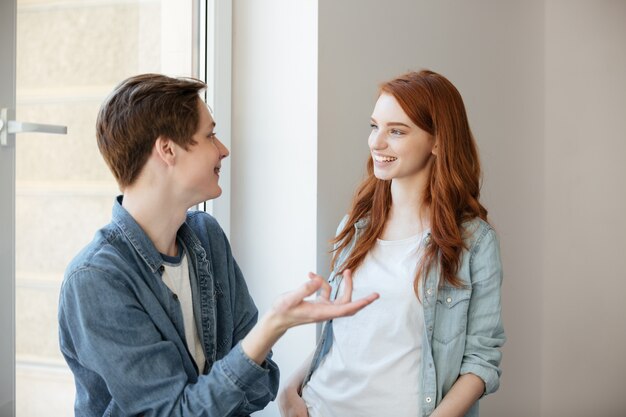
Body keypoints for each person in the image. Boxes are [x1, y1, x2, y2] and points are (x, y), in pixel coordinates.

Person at [57, 73, 379, 417]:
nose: (223, 149)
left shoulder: (206, 237)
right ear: (167, 150)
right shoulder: (96, 279)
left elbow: (263, 382)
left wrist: (231, 376)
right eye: (209, 135)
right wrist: (272, 326)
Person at [278, 70, 505, 417]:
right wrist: (291, 388)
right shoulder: (356, 224)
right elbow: (345, 332)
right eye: (374, 126)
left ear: (438, 141)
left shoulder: (473, 241)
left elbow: (481, 360)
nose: (376, 142)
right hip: (319, 406)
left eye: (396, 131)